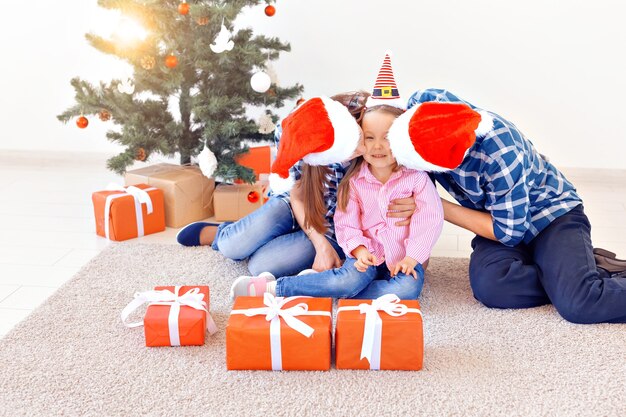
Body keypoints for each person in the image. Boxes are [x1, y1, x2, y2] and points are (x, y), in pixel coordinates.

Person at [387, 87, 626, 324]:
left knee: (580, 304)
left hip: (550, 215)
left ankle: (573, 279)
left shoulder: (501, 152)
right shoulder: (426, 106)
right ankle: (571, 271)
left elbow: (507, 233)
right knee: (492, 287)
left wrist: (435, 205)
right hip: (496, 216)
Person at [231, 53, 443, 300]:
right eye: (370, 137)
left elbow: (430, 219)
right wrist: (360, 249)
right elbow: (346, 221)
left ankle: (321, 285)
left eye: (386, 137)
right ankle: (277, 288)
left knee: (406, 289)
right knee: (346, 277)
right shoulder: (355, 180)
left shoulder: (416, 178)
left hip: (402, 258)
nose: (375, 147)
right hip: (363, 254)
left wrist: (412, 256)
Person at [176, 91, 417, 278]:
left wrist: (411, 202)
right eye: (348, 152)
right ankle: (223, 234)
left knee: (261, 266)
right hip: (297, 208)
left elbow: (410, 174)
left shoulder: (371, 119)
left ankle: (255, 237)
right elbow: (297, 195)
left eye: (358, 141)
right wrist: (318, 243)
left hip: (338, 227)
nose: (363, 149)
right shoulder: (298, 135)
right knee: (232, 246)